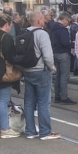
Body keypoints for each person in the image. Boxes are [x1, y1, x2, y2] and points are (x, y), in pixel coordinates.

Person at [20, 11, 59, 140]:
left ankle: (30, 131)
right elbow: (47, 55)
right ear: (38, 21)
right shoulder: (42, 34)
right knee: (43, 102)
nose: (44, 21)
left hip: (27, 70)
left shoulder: (24, 32)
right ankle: (45, 132)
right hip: (41, 71)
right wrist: (52, 68)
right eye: (43, 18)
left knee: (29, 101)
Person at [51, 12, 76, 104]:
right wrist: (73, 43)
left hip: (55, 53)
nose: (68, 24)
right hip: (63, 53)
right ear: (64, 20)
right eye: (68, 21)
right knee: (64, 76)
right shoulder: (62, 29)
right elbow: (65, 42)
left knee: (58, 75)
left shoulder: (53, 27)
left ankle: (57, 95)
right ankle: (64, 97)